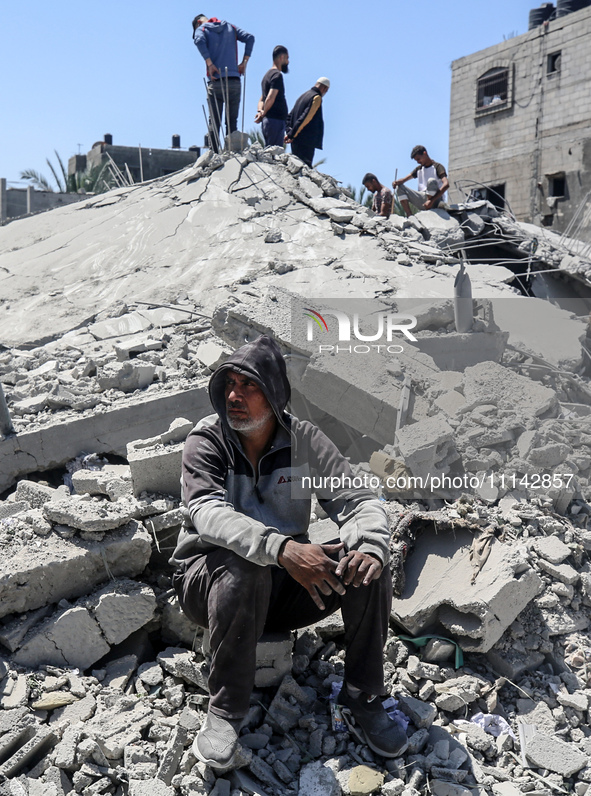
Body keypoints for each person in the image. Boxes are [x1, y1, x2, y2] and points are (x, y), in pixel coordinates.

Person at [171, 335, 408, 769]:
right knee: (247, 564)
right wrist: (281, 548)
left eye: (250, 386)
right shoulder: (207, 441)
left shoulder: (303, 442)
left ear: (276, 395)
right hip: (210, 584)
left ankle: (362, 696)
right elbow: (208, 513)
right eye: (229, 384)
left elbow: (358, 499)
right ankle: (225, 712)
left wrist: (370, 544)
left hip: (284, 586)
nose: (233, 396)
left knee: (366, 563)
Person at [192, 14, 254, 153]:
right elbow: (250, 38)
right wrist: (244, 63)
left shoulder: (201, 29)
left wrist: (210, 63)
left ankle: (213, 157)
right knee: (232, 123)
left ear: (198, 22)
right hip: (234, 81)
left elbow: (199, 40)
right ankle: (232, 155)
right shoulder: (231, 27)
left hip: (216, 82)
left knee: (214, 124)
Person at [392, 145, 450, 217]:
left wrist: (431, 201)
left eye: (419, 159)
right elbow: (404, 180)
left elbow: (446, 184)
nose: (418, 162)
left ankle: (430, 202)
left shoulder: (437, 167)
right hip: (423, 199)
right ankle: (409, 215)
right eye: (416, 160)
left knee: (431, 181)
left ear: (425, 153)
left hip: (435, 200)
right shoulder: (419, 169)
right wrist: (397, 182)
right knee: (400, 187)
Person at [285, 78, 330, 167]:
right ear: (325, 89)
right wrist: (292, 135)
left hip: (295, 140)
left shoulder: (303, 96)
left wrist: (289, 132)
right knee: (304, 168)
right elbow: (306, 118)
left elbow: (289, 117)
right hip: (305, 141)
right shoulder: (316, 97)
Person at [254, 46, 290, 148]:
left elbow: (262, 98)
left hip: (269, 122)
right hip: (275, 121)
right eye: (287, 58)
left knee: (269, 151)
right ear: (281, 57)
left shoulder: (266, 76)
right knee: (274, 153)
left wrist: (259, 111)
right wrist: (264, 112)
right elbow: (270, 97)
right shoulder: (277, 75)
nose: (288, 62)